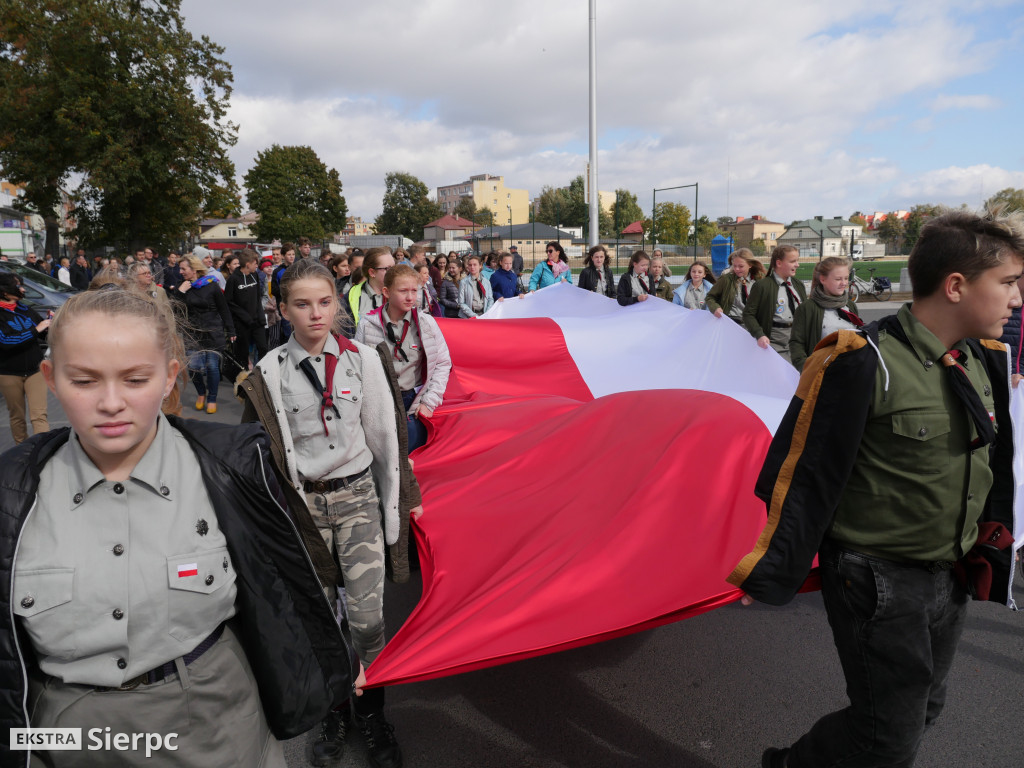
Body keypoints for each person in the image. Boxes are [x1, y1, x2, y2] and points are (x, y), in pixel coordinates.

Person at [2, 287, 363, 768]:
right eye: (84, 381)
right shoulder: (10, 493)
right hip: (72, 740)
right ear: (50, 378)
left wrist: (334, 656)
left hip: (219, 728)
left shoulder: (234, 467)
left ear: (171, 376)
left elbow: (289, 579)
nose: (111, 403)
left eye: (135, 379)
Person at [730, 209, 1024, 768]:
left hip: (950, 573)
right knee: (886, 736)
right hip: (878, 578)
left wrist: (991, 546)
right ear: (956, 286)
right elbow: (803, 471)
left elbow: (991, 469)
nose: (1016, 300)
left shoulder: (983, 361)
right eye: (1008, 283)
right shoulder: (863, 362)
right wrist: (775, 568)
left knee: (923, 709)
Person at [238, 259, 407, 768]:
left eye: (325, 302)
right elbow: (253, 450)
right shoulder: (267, 373)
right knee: (323, 621)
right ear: (283, 308)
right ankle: (335, 709)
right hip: (304, 508)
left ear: (338, 302)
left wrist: (407, 495)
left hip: (357, 498)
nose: (316, 314)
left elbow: (387, 434)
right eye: (303, 304)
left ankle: (372, 710)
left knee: (367, 619)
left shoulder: (364, 359)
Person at [356, 263, 452, 454]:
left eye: (414, 291)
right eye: (403, 291)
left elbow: (443, 363)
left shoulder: (427, 323)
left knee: (411, 460)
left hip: (413, 405)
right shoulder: (367, 325)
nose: (410, 297)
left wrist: (429, 401)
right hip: (380, 405)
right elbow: (357, 369)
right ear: (386, 292)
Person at [171, 254, 235, 415]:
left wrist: (231, 329)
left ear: (194, 269)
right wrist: (180, 292)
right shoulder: (182, 286)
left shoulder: (211, 285)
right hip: (192, 334)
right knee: (193, 368)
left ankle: (212, 398)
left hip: (213, 332)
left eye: (183, 268)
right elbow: (175, 310)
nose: (181, 272)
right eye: (180, 269)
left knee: (213, 367)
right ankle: (201, 393)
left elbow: (223, 309)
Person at [789, 257, 863, 371]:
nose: (844, 283)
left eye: (846, 278)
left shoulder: (850, 306)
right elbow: (796, 343)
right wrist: (806, 368)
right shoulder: (807, 308)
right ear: (823, 279)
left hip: (850, 372)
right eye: (838, 279)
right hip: (820, 374)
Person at [0, 272, 49, 444]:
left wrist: (52, 324)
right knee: (17, 417)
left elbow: (44, 334)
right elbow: (5, 341)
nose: (22, 288)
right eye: (17, 285)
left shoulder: (26, 309)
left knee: (39, 416)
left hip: (35, 370)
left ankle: (42, 450)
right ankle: (22, 452)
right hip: (9, 373)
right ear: (5, 292)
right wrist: (36, 330)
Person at [743, 244, 806, 362]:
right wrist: (759, 334)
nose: (797, 265)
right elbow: (748, 314)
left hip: (797, 339)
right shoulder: (763, 286)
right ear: (779, 263)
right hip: (775, 339)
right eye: (793, 261)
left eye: (797, 261)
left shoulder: (798, 285)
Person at [225, 249, 269, 381]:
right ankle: (243, 379)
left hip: (257, 321)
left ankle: (261, 375)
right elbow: (229, 302)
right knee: (243, 353)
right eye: (255, 263)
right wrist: (244, 316)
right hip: (242, 323)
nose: (257, 266)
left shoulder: (254, 275)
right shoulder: (233, 279)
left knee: (263, 348)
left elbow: (257, 297)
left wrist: (260, 316)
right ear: (247, 264)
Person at [706, 248, 764, 324]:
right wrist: (715, 308)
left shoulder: (759, 281)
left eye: (741, 266)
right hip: (731, 323)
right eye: (734, 266)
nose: (736, 269)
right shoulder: (726, 279)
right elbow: (710, 297)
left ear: (750, 265)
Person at [346, 247, 395, 328]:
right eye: (388, 268)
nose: (394, 272)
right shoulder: (351, 297)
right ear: (372, 272)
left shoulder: (401, 292)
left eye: (394, 267)